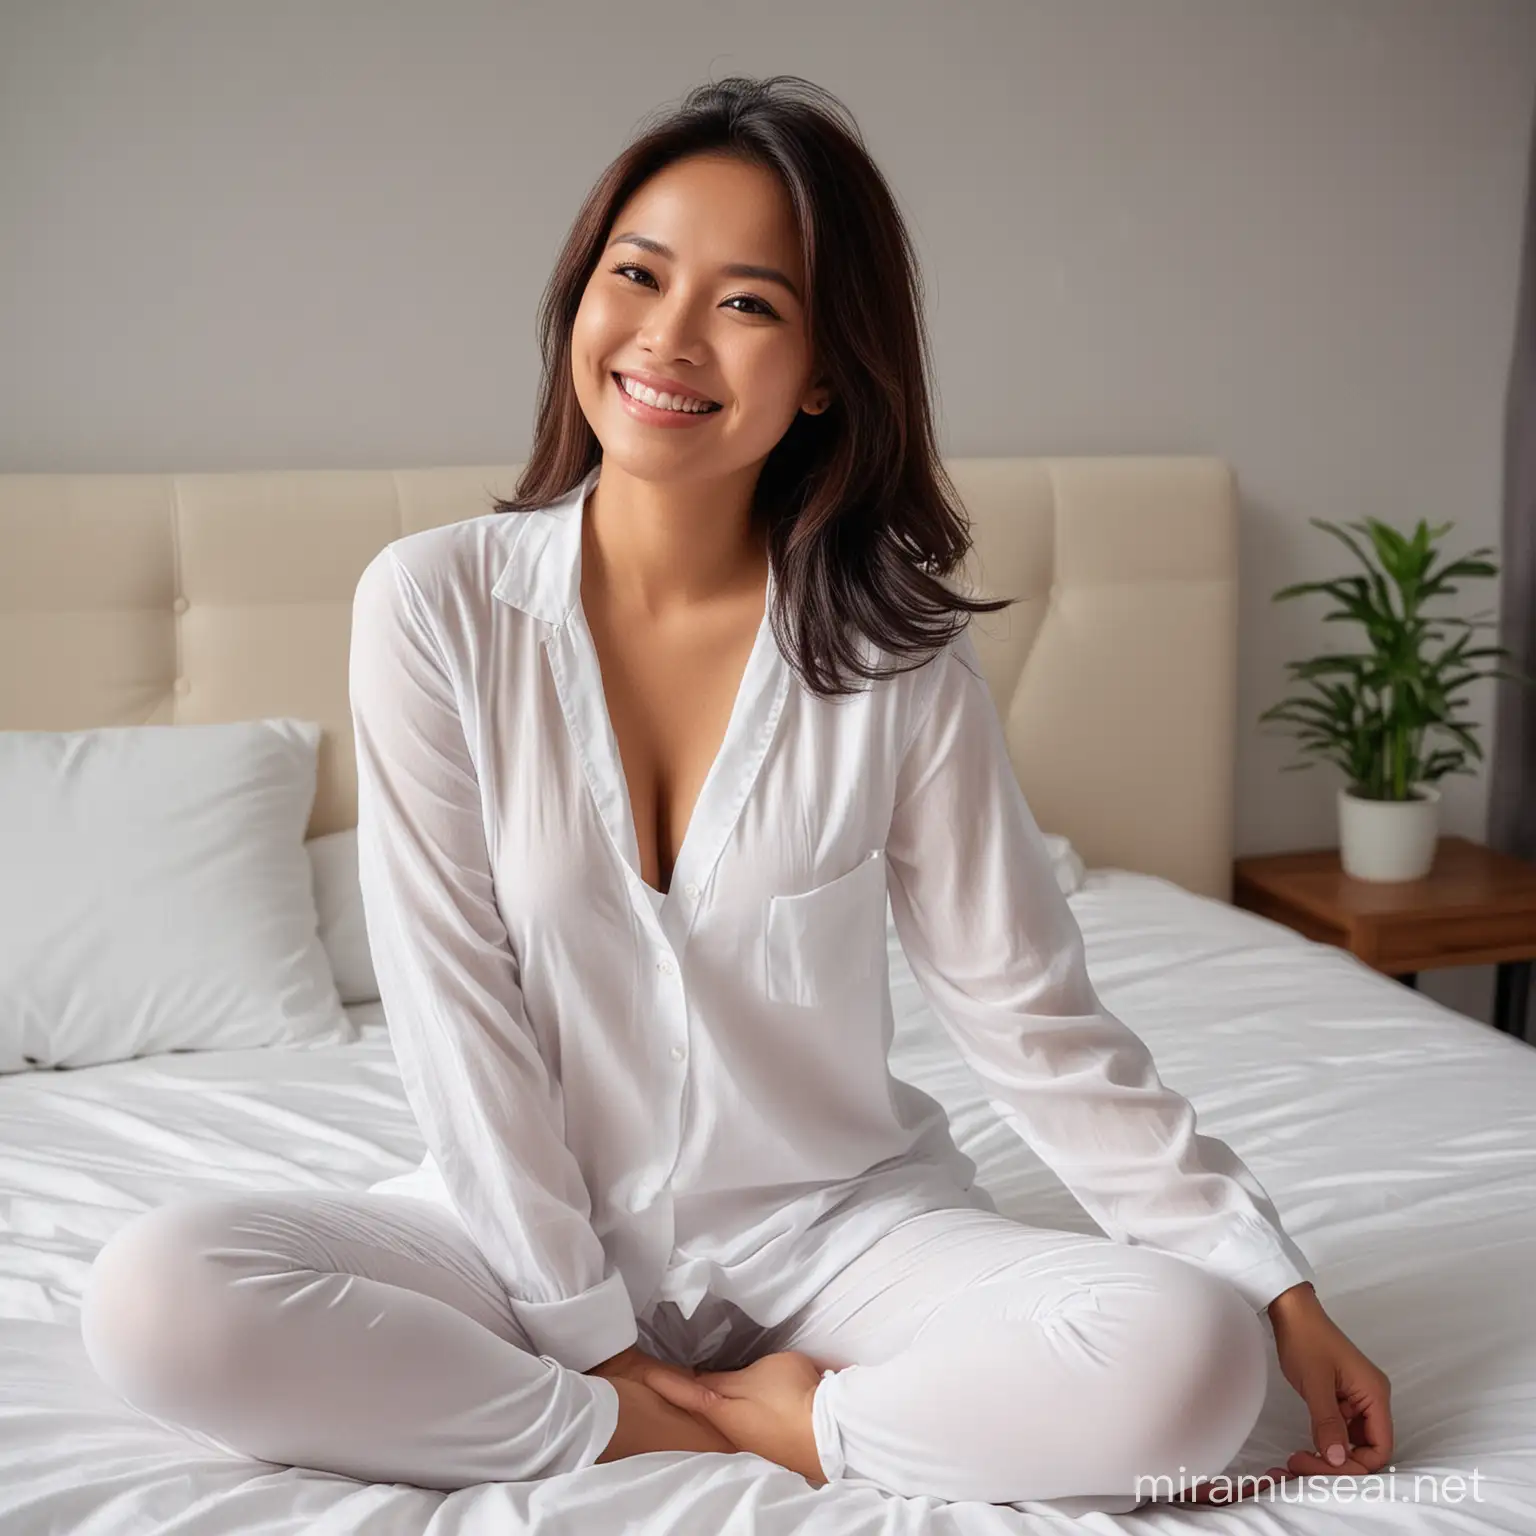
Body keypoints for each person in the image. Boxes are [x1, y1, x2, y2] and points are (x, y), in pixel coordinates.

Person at [79, 74, 1392, 1510]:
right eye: (636, 275)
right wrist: (592, 1350)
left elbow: (1034, 1020)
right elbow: (454, 1008)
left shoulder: (901, 666)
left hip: (838, 1230)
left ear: (828, 367)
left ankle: (801, 1422)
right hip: (517, 1231)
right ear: (581, 297)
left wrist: (1269, 1286)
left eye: (749, 303)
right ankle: (676, 1432)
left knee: (1184, 1361)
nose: (670, 337)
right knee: (156, 1297)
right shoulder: (435, 605)